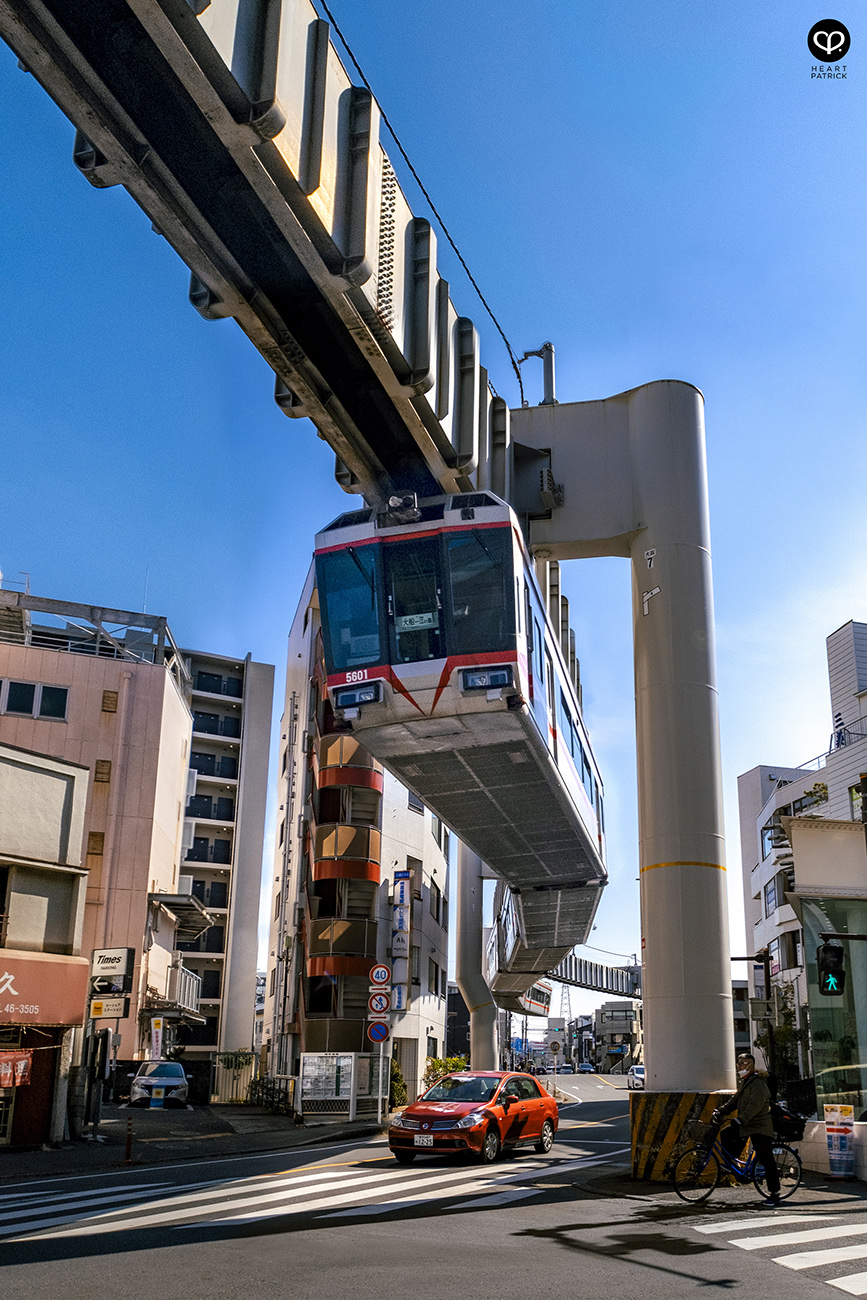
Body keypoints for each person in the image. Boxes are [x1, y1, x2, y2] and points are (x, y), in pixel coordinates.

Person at [712, 1052, 781, 1207]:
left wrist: (740, 1119)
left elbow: (755, 1105)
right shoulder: (746, 1081)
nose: (741, 1066)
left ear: (751, 1064)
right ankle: (734, 1166)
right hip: (748, 1124)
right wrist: (721, 1110)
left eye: (744, 1063)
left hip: (760, 1126)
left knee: (765, 1157)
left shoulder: (758, 1082)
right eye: (739, 1063)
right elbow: (736, 1100)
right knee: (726, 1133)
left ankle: (775, 1194)